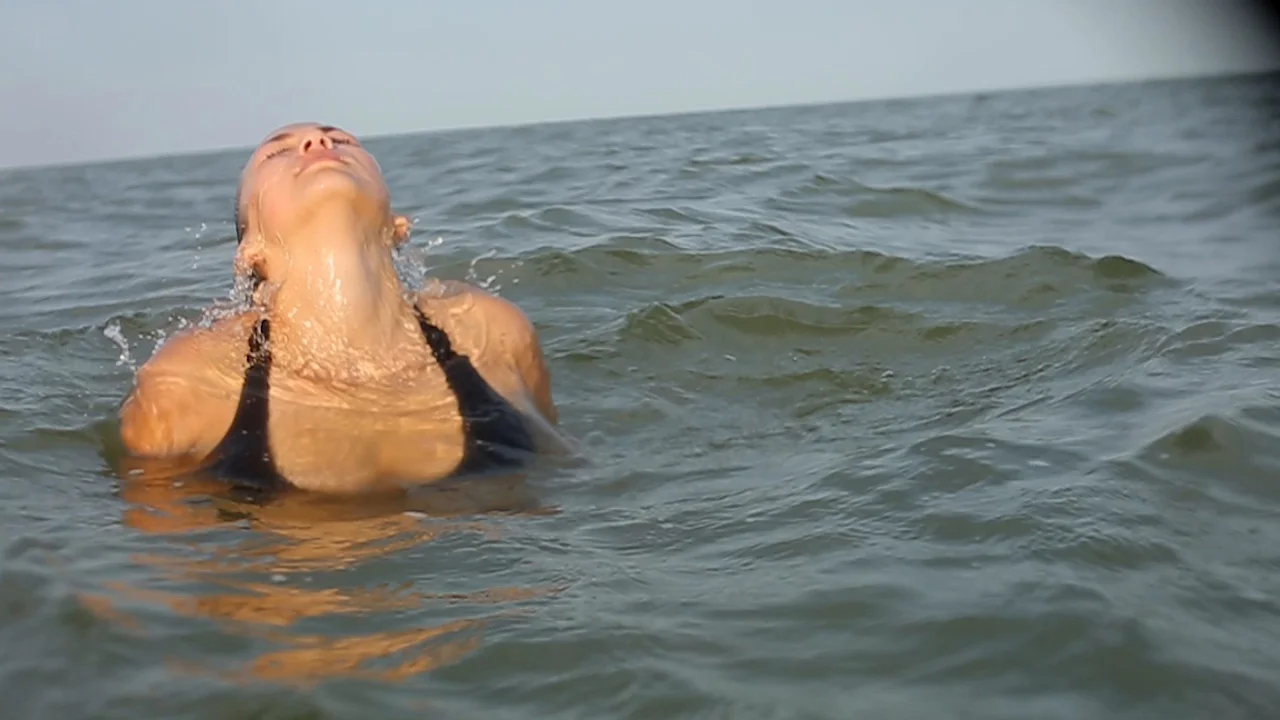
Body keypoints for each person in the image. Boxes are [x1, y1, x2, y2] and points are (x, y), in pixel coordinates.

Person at [118, 122, 563, 497]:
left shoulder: (493, 331)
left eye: (344, 141)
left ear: (397, 227)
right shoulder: (185, 381)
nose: (318, 143)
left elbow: (565, 487)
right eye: (278, 152)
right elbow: (157, 573)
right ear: (250, 252)